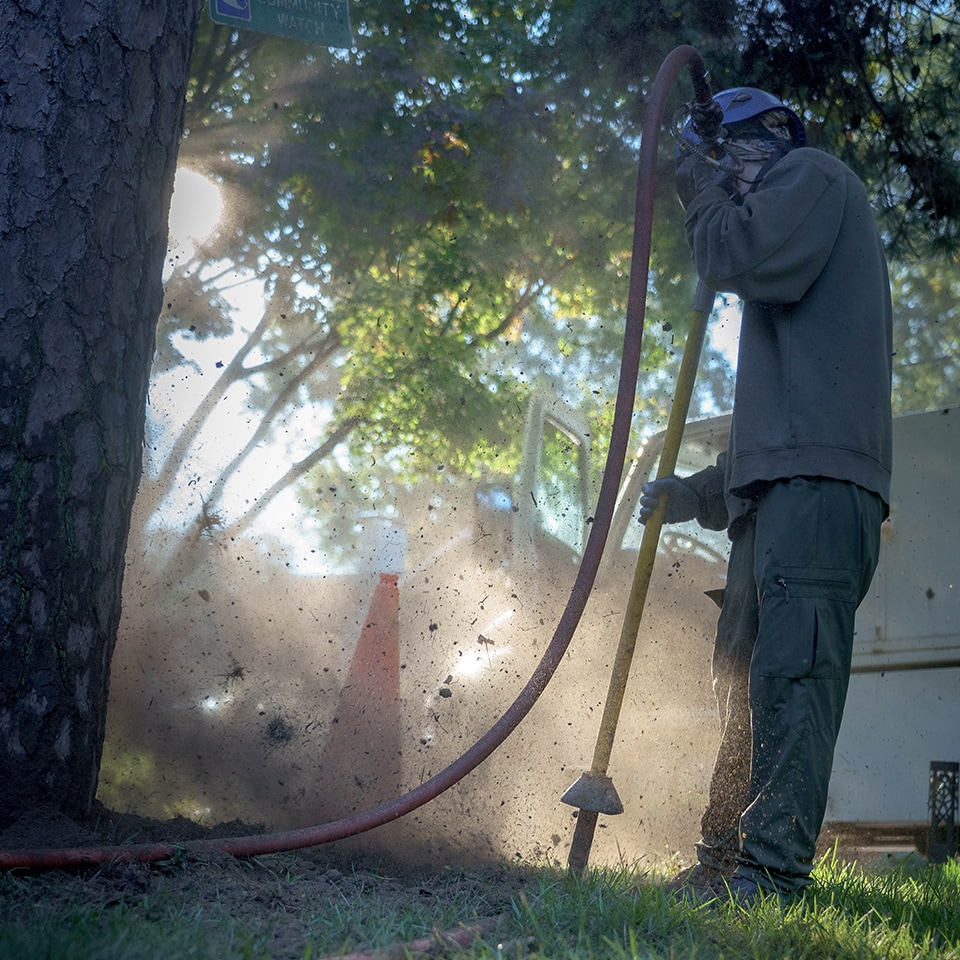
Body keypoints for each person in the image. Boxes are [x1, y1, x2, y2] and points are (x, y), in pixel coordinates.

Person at [640, 87, 892, 903]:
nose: (725, 180)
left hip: (817, 495)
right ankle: (723, 862)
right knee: (744, 686)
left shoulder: (814, 177)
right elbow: (783, 415)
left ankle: (771, 877)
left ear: (761, 145)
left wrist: (701, 190)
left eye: (729, 162)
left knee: (789, 679)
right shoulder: (793, 214)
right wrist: (701, 491)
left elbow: (733, 255)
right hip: (777, 493)